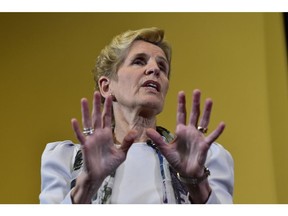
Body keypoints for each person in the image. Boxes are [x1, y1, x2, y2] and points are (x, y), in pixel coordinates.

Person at [39, 27, 234, 204]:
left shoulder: (203, 157)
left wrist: (197, 183)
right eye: (139, 61)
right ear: (107, 86)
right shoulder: (64, 159)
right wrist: (86, 186)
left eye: (162, 66)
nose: (154, 69)